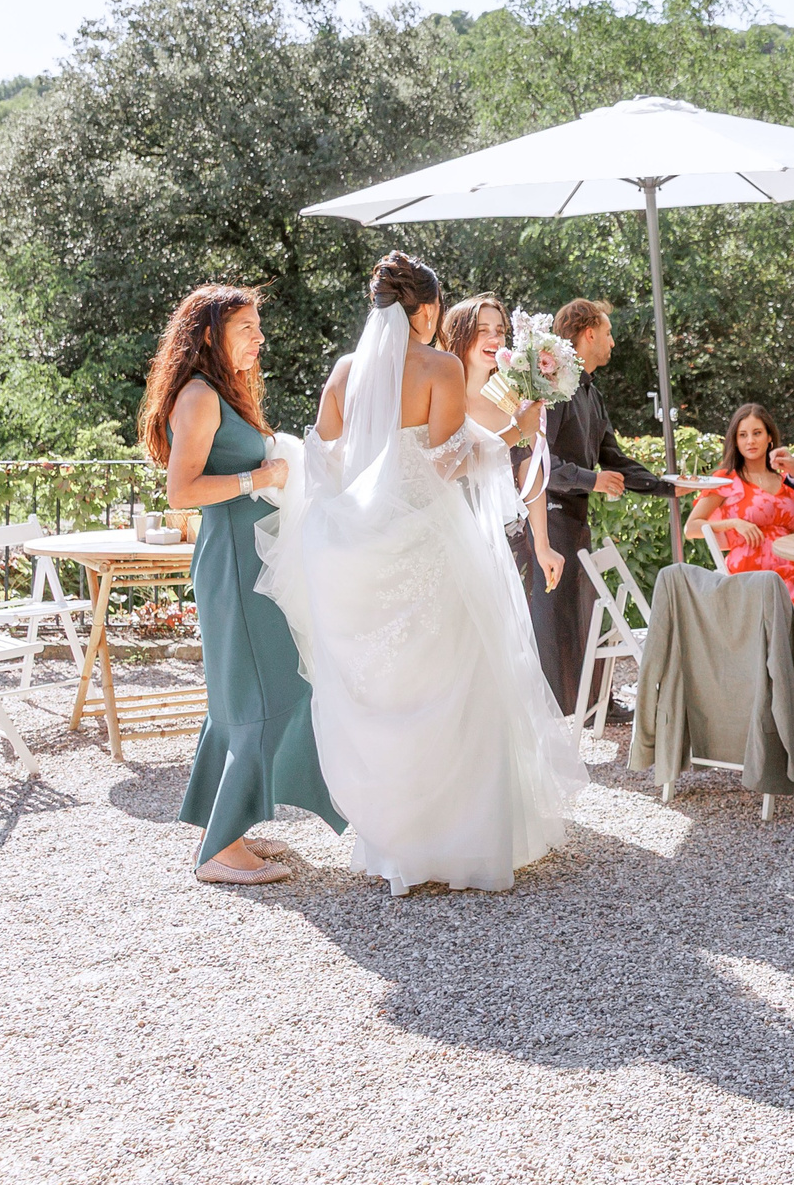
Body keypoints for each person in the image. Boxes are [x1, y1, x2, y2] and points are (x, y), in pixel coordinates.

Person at [257, 252, 586, 894]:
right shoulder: (438, 367)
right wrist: (513, 432)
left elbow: (322, 458)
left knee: (383, 686)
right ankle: (462, 842)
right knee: (456, 679)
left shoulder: (345, 372)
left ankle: (395, 846)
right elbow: (445, 464)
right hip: (429, 544)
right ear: (428, 310)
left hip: (358, 545)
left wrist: (354, 510)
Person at [140, 283, 346, 887]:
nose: (260, 339)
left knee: (249, 689)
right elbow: (181, 493)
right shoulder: (200, 397)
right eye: (247, 328)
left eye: (259, 327)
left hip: (251, 557)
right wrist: (259, 477)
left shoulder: (221, 393)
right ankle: (219, 849)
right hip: (234, 560)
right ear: (208, 334)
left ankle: (229, 824)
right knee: (261, 690)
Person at [526, 298, 677, 716]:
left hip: (576, 521)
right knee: (555, 621)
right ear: (588, 333)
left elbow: (613, 458)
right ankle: (557, 715)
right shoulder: (552, 390)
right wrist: (592, 481)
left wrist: (667, 487)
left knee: (586, 612)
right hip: (547, 521)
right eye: (607, 332)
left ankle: (595, 704)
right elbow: (539, 466)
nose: (613, 341)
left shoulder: (591, 392)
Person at [686, 403, 794, 663]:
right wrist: (733, 524)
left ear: (769, 438)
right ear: (735, 440)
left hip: (793, 569)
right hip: (755, 575)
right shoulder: (727, 480)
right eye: (743, 435)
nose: (750, 441)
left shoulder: (784, 480)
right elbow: (691, 528)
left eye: (757, 433)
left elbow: (793, 532)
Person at [438, 293, 565, 598]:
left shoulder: (512, 399)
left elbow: (528, 469)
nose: (494, 337)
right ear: (459, 335)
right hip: (456, 541)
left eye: (500, 330)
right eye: (483, 330)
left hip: (511, 540)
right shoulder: (443, 401)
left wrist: (542, 544)